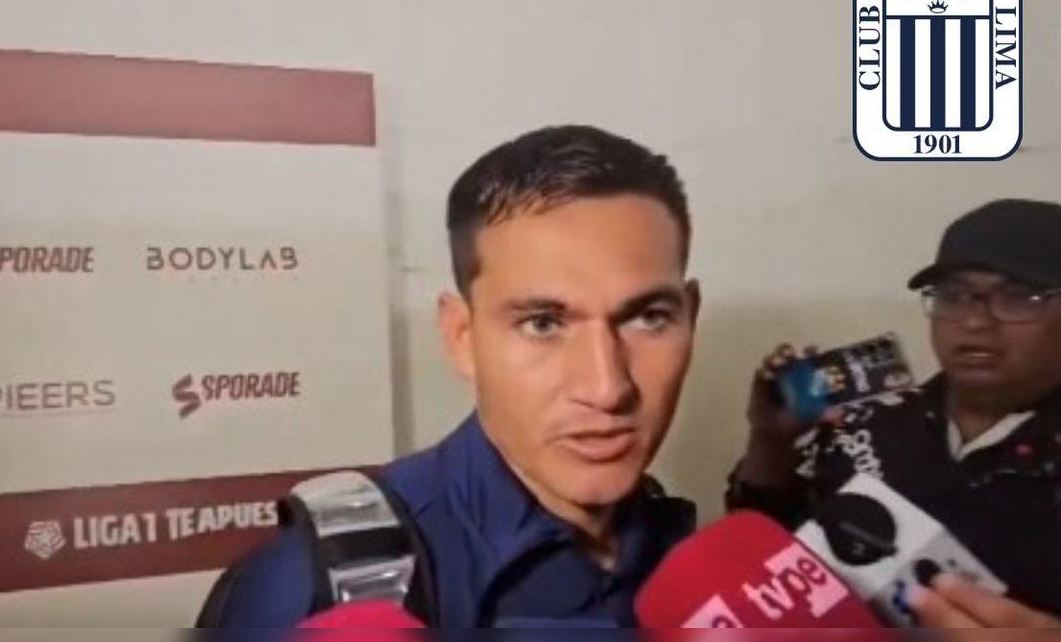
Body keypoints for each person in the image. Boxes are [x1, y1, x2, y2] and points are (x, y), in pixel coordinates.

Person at [201, 125, 700, 627]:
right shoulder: (308, 589)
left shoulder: (700, 563)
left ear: (690, 317)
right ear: (462, 337)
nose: (607, 388)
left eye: (649, 318)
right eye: (543, 324)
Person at [726, 198, 1061, 626]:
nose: (975, 322)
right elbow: (761, 553)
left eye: (1017, 298)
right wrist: (770, 441)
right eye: (954, 296)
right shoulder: (863, 424)